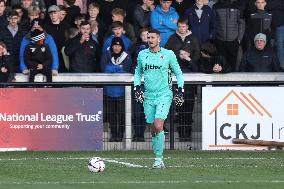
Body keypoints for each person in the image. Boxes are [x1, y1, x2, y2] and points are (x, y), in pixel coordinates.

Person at [134, 29, 184, 168]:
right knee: (153, 128)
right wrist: (137, 88)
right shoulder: (142, 54)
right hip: (148, 96)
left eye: (152, 37)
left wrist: (180, 91)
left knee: (157, 125)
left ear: (159, 39)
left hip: (164, 94)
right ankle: (158, 153)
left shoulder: (168, 54)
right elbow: (138, 73)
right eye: (148, 37)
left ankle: (159, 158)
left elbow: (179, 74)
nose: (150, 40)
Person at [100, 37, 132, 142]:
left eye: (119, 46)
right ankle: (114, 135)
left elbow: (127, 70)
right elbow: (104, 68)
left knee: (122, 115)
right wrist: (118, 68)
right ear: (112, 46)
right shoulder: (106, 54)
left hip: (123, 92)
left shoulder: (126, 57)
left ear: (122, 47)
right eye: (115, 46)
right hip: (109, 91)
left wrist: (112, 69)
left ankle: (121, 135)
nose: (117, 48)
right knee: (112, 116)